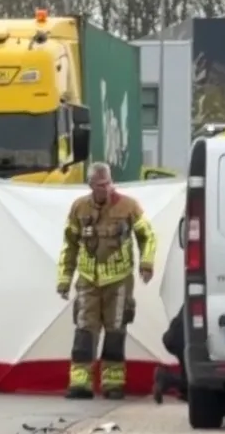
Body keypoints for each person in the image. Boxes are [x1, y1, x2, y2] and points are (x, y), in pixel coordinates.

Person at [56, 162, 156, 399]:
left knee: (115, 329)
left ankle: (113, 384)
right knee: (84, 329)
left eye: (108, 183)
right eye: (100, 185)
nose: (106, 188)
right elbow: (69, 244)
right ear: (91, 185)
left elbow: (147, 236)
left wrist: (147, 263)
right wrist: (64, 279)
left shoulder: (129, 206)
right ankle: (80, 383)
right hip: (88, 280)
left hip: (119, 281)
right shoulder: (78, 208)